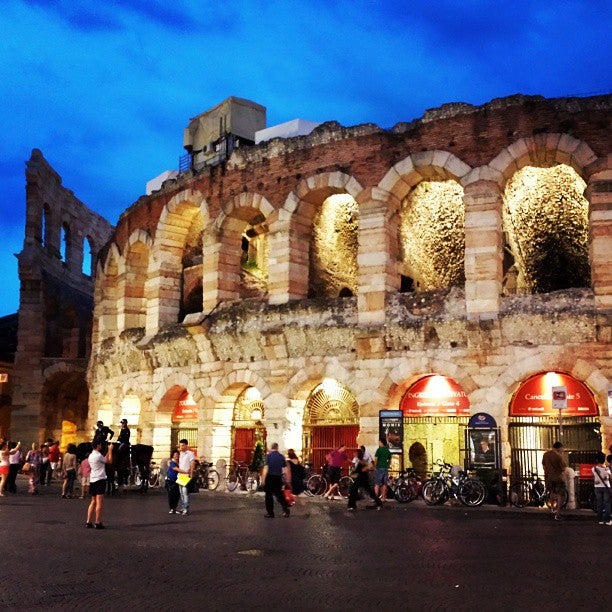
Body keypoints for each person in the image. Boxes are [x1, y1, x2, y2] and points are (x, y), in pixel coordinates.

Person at [86, 440, 112, 529]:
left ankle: (88, 521)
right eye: (100, 444)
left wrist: (107, 451)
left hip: (93, 479)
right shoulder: (98, 455)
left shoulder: (91, 455)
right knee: (99, 502)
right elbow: (109, 461)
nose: (101, 446)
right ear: (98, 445)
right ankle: (97, 522)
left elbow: (103, 459)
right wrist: (111, 450)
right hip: (100, 479)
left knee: (93, 501)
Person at [261, 442, 290, 518]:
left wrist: (263, 479)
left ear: (271, 448)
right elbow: (285, 469)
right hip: (278, 478)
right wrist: (287, 480)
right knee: (279, 494)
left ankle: (270, 513)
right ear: (277, 448)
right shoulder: (281, 457)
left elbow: (265, 468)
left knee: (269, 496)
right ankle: (285, 508)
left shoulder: (268, 456)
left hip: (270, 477)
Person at [542, 441, 567, 521]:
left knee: (552, 492)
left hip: (549, 477)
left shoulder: (545, 454)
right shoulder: (558, 456)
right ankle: (558, 514)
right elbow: (563, 468)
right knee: (561, 495)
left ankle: (552, 509)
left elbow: (544, 465)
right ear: (559, 448)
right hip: (558, 478)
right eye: (561, 448)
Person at [592, 451, 611, 526]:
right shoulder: (607, 469)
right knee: (607, 503)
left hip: (597, 487)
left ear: (597, 460)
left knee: (599, 503)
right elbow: (610, 477)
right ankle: (607, 520)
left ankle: (600, 520)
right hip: (606, 487)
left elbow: (594, 477)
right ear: (604, 460)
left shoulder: (593, 469)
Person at [177, 439, 196, 516]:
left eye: (182, 445)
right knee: (181, 492)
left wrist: (191, 473)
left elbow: (192, 463)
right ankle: (183, 507)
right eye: (180, 445)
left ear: (186, 445)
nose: (181, 447)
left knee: (185, 492)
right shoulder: (181, 453)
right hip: (180, 474)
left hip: (186, 474)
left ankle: (186, 509)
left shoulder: (190, 454)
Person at [374, 437, 392, 502]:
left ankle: (376, 498)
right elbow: (390, 460)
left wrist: (375, 466)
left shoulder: (379, 450)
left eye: (379, 442)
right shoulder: (388, 451)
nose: (378, 443)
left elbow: (376, 459)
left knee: (377, 484)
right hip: (385, 469)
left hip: (379, 468)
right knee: (384, 484)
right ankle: (383, 498)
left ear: (381, 443)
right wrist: (388, 465)